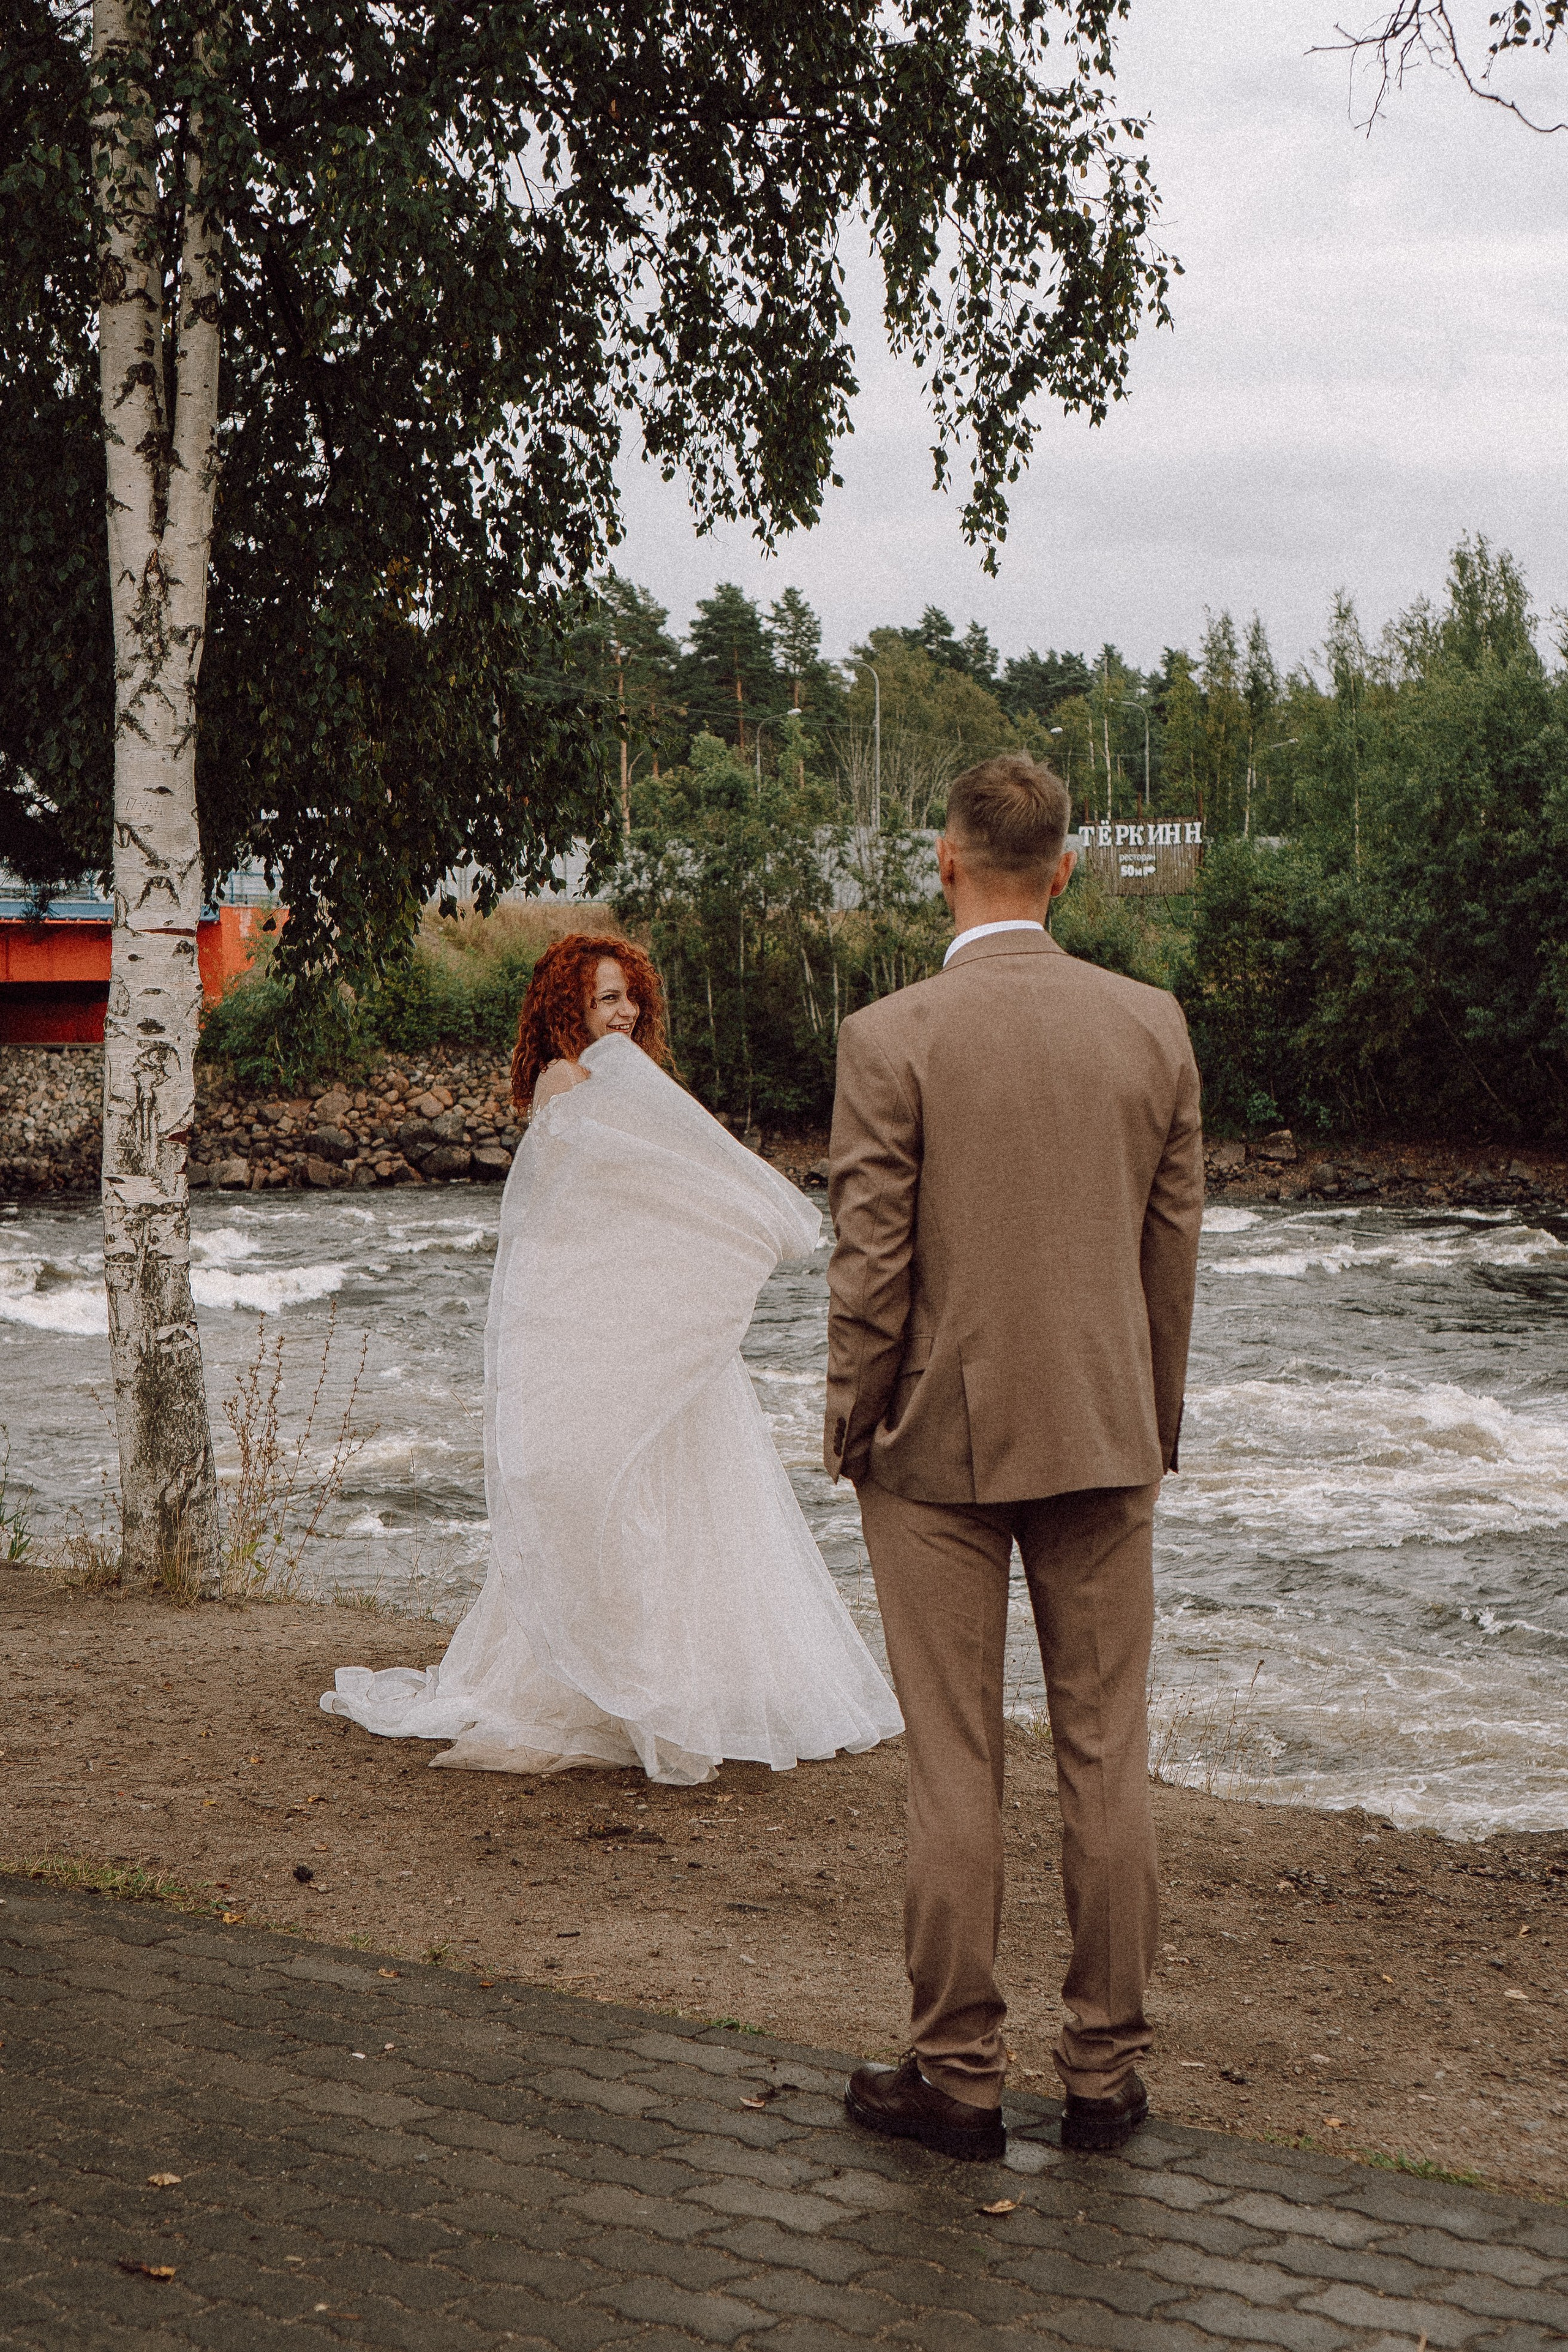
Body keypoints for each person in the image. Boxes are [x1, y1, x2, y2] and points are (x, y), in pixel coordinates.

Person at [827, 756, 1204, 2162]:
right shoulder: (1149, 1027)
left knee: (955, 1761)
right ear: (1063, 870)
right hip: (1108, 1430)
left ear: (944, 859)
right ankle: (1103, 2079)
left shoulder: (892, 1036)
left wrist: (850, 1419)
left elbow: (871, 1264)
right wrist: (1149, 1418)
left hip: (935, 1442)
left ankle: (957, 2075)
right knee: (1107, 1758)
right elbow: (1170, 1256)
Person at [323, 930, 901, 1785]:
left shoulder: (622, 1080)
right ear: (569, 1009)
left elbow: (667, 1188)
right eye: (605, 999)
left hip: (643, 1329)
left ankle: (666, 1681)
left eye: (630, 996)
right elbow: (583, 1217)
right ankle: (626, 1683)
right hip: (609, 1331)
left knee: (673, 1501)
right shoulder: (576, 1081)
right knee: (620, 1498)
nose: (625, 1012)